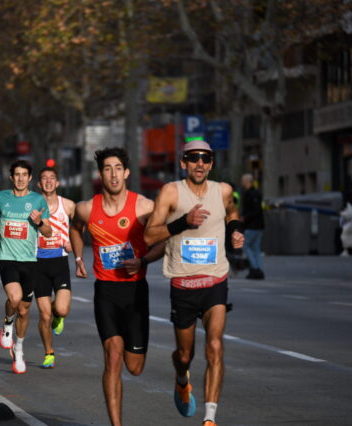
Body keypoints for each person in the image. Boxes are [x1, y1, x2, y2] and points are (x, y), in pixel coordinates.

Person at [144, 140, 244, 426]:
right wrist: (183, 222)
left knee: (215, 346)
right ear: (183, 163)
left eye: (205, 158)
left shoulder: (223, 190)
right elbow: (150, 236)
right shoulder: (170, 192)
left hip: (215, 280)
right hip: (183, 285)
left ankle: (210, 418)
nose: (199, 163)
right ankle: (180, 377)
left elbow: (232, 211)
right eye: (193, 158)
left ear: (211, 163)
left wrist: (235, 231)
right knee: (184, 355)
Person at [69, 147, 165, 426]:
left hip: (136, 292)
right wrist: (78, 257)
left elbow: (164, 239)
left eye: (117, 168)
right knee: (112, 356)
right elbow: (76, 229)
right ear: (101, 174)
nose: (113, 174)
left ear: (126, 172)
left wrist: (144, 260)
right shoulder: (87, 208)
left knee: (134, 367)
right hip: (106, 291)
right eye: (107, 168)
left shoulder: (144, 207)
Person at [0, 160, 52, 374]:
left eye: (25, 174)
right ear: (11, 177)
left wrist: (39, 222)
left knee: (24, 310)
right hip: (6, 257)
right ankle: (7, 324)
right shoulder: (1, 197)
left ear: (30, 178)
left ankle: (19, 348)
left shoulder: (38, 200)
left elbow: (49, 232)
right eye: (17, 174)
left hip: (29, 261)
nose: (21, 178)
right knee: (14, 298)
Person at [34, 166, 76, 368]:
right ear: (39, 184)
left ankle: (57, 315)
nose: (49, 181)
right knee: (44, 315)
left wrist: (73, 245)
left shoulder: (67, 205)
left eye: (52, 178)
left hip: (59, 262)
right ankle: (49, 352)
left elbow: (79, 228)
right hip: (38, 263)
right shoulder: (32, 207)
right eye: (44, 178)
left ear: (57, 183)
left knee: (61, 308)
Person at [240, 173, 265, 279]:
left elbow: (255, 210)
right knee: (256, 248)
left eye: (242, 180)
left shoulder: (252, 194)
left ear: (247, 181)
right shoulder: (254, 193)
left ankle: (255, 268)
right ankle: (258, 269)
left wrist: (245, 217)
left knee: (245, 246)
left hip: (253, 225)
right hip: (259, 225)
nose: (241, 182)